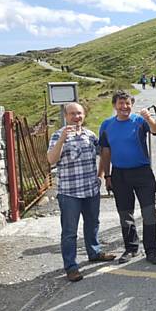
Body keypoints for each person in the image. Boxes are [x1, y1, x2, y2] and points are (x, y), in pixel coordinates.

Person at [47, 103, 115, 282]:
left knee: (92, 223)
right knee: (69, 231)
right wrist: (62, 138)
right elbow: (51, 160)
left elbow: (103, 154)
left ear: (83, 115)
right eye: (72, 114)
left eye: (79, 113)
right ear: (66, 116)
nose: (76, 117)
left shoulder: (90, 135)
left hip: (90, 189)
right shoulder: (57, 135)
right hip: (69, 193)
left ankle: (94, 252)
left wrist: (100, 175)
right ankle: (71, 266)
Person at [98, 90, 156, 265]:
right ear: (114, 105)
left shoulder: (140, 121)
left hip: (142, 172)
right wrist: (107, 175)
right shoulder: (106, 125)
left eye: (127, 103)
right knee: (125, 214)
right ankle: (131, 248)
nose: (124, 107)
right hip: (120, 174)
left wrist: (149, 118)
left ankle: (152, 250)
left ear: (131, 105)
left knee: (149, 213)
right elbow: (105, 151)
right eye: (121, 103)